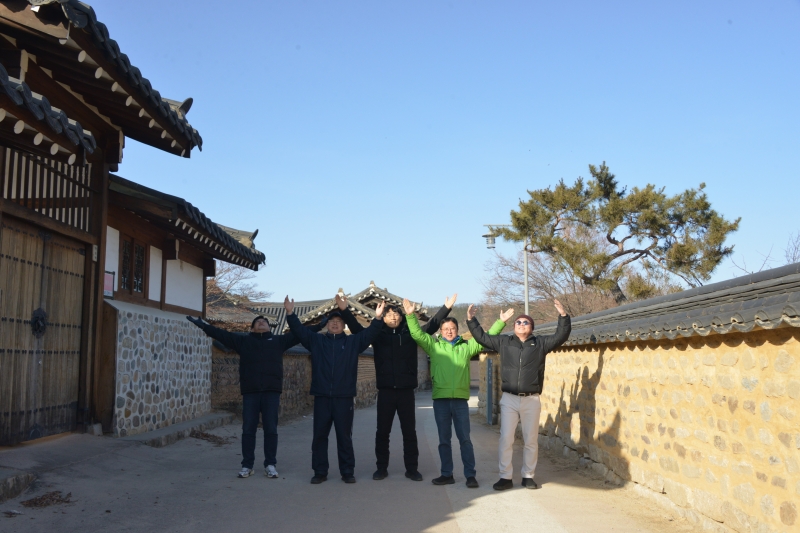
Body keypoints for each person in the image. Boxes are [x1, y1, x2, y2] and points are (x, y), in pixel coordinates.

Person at [186, 314, 324, 479]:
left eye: (264, 322)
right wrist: (203, 325)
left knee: (271, 429)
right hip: (250, 391)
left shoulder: (279, 341)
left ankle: (270, 464)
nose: (261, 322)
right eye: (258, 322)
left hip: (271, 391)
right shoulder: (243, 341)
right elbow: (221, 334)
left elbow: (301, 332)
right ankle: (247, 465)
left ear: (269, 327)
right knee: (248, 429)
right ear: (252, 328)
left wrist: (319, 326)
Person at [337, 294, 457, 482]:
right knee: (382, 432)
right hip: (385, 391)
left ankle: (412, 469)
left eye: (396, 314)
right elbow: (357, 330)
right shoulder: (378, 334)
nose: (393, 317)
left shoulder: (410, 333)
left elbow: (432, 326)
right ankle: (381, 468)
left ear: (401, 317)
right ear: (383, 317)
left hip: (406, 391)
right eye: (389, 314)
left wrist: (446, 308)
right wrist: (344, 310)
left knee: (409, 432)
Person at [466, 300, 571, 490]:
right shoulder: (504, 342)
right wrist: (471, 320)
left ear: (532, 327)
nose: (521, 324)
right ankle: (505, 477)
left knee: (530, 440)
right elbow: (481, 337)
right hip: (509, 398)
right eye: (518, 322)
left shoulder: (540, 343)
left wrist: (563, 316)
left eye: (525, 322)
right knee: (506, 438)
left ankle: (528, 476)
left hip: (531, 399)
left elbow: (561, 335)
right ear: (513, 326)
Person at [403, 298, 505, 488]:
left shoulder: (466, 347)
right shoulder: (433, 346)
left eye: (452, 328)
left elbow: (486, 338)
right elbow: (417, 334)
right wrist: (410, 316)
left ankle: (470, 475)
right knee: (444, 440)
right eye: (445, 329)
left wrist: (500, 322)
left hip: (460, 401)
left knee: (465, 439)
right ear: (440, 331)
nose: (449, 331)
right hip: (441, 400)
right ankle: (446, 474)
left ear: (457, 330)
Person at [284, 294, 385, 484]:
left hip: (344, 397)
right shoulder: (317, 341)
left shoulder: (353, 342)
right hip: (322, 396)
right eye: (332, 321)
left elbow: (369, 334)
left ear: (344, 325)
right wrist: (290, 313)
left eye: (339, 321)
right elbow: (299, 331)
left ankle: (347, 471)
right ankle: (320, 471)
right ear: (327, 325)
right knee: (319, 436)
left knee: (344, 436)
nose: (335, 324)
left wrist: (378, 318)